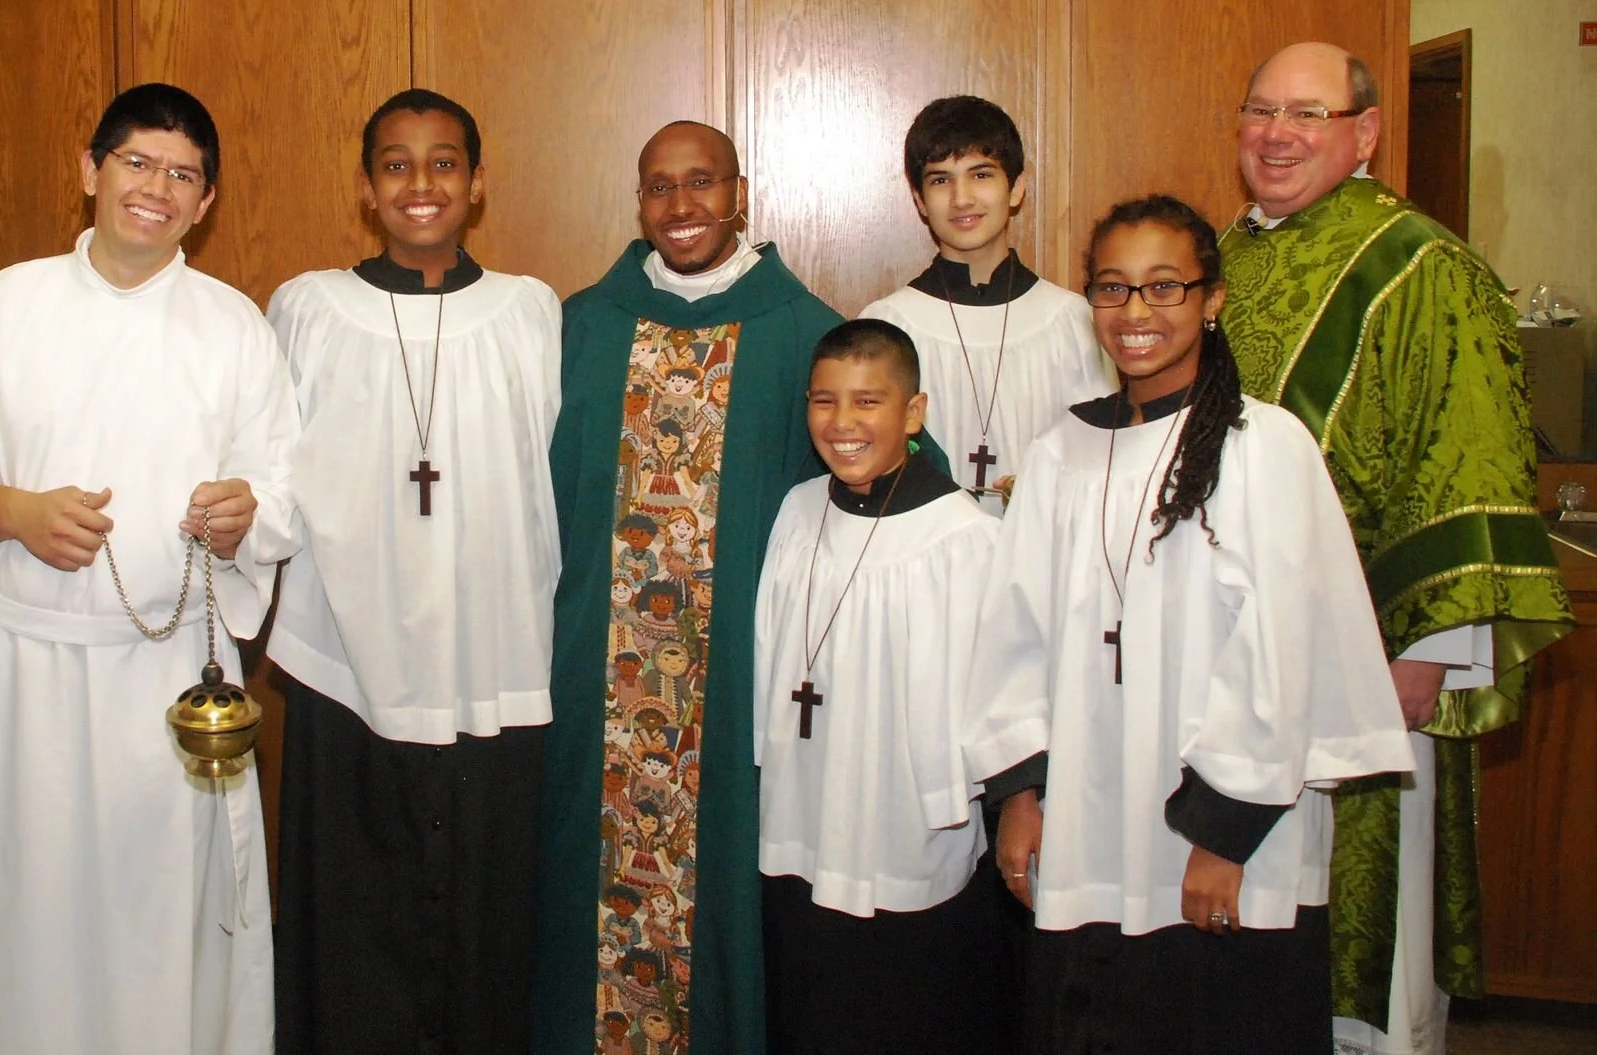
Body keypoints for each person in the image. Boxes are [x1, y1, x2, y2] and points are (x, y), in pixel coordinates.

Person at [965, 194, 1414, 1054]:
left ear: (1212, 300)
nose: (1135, 313)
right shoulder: (1061, 452)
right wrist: (1018, 793)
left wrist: (1221, 838)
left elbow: (1286, 653)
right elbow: (1012, 635)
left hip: (1225, 834)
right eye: (1112, 288)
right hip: (1092, 818)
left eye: (1164, 287)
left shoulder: (1264, 446)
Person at [1216, 43, 1574, 1055]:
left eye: (1308, 114)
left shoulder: (1425, 264)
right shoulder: (1216, 260)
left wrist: (1429, 652)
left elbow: (1470, 455)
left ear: (1363, 133)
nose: (1277, 135)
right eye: (1259, 111)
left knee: (1357, 934)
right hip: (1222, 650)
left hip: (1366, 654)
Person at [0, 83, 300, 1055]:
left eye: (183, 175)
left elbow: (285, 487)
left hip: (171, 681)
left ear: (206, 202)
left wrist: (243, 515)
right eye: (136, 162)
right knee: (30, 918)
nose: (157, 188)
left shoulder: (234, 328)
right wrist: (6, 510)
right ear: (89, 169)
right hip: (24, 683)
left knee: (164, 925)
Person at [532, 120, 843, 1055]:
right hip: (598, 672)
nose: (681, 206)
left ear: (738, 191)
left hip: (736, 682)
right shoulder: (584, 324)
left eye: (701, 182)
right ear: (640, 202)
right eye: (660, 187)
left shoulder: (804, 330)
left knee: (723, 898)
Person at [267, 89, 560, 1053]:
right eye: (396, 163)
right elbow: (269, 468)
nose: (420, 183)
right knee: (354, 925)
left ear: (477, 184)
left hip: (491, 656)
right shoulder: (307, 308)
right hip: (346, 658)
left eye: (444, 163)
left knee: (490, 929)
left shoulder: (530, 311)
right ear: (366, 187)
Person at [755, 319, 1008, 1055]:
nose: (843, 424)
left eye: (869, 402)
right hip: (802, 810)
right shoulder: (800, 509)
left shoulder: (960, 536)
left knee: (900, 1010)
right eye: (824, 401)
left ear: (914, 412)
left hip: (904, 826)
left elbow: (988, 702)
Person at [862, 96, 1109, 511]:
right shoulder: (886, 326)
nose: (961, 199)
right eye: (940, 180)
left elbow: (1101, 461)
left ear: (1016, 188)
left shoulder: (1074, 321)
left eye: (980, 174)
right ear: (919, 201)